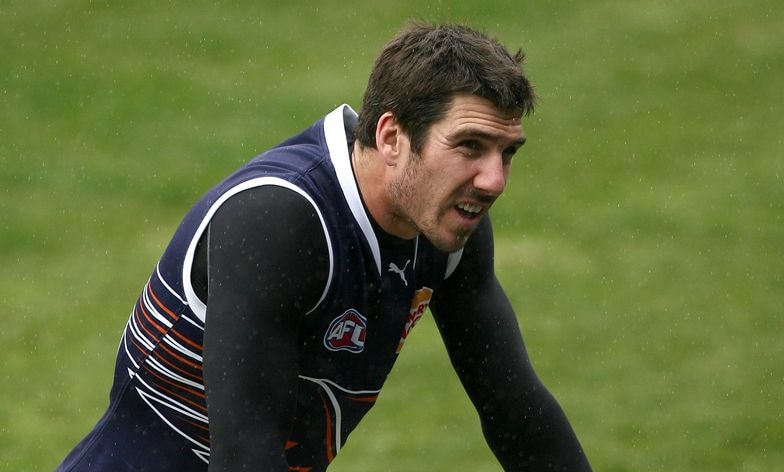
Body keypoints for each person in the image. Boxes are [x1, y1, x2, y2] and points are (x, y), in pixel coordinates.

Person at [57, 22, 591, 471]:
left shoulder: (446, 228)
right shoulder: (280, 221)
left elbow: (516, 412)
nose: (493, 180)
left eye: (507, 153)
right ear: (391, 136)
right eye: (470, 146)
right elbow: (247, 455)